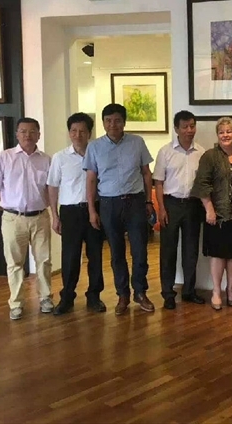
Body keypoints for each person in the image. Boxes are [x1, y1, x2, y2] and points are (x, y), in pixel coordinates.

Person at [83, 103, 156, 316]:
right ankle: (122, 295)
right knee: (116, 253)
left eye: (117, 120)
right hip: (109, 203)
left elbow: (146, 173)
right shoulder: (94, 147)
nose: (112, 124)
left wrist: (148, 202)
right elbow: (91, 180)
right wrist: (92, 210)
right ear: (103, 123)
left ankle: (140, 292)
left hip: (135, 202)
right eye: (108, 121)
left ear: (124, 122)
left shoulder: (137, 142)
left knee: (140, 251)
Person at [0, 117, 53, 320]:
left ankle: (46, 298)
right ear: (17, 134)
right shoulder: (4, 158)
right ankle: (16, 303)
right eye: (23, 131)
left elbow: (50, 189)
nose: (27, 135)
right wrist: (10, 203)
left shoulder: (46, 160)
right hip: (13, 219)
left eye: (32, 131)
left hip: (40, 217)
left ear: (39, 135)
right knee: (14, 263)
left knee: (44, 260)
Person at [47, 113, 106, 315]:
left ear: (89, 133)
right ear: (69, 133)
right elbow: (52, 186)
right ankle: (67, 297)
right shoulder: (60, 157)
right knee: (70, 256)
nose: (77, 135)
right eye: (73, 131)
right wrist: (55, 216)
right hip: (70, 212)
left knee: (95, 255)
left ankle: (94, 296)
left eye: (82, 131)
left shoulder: (98, 154)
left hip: (95, 209)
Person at [153, 110, 206, 310]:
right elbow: (158, 182)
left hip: (193, 205)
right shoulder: (165, 152)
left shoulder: (201, 152)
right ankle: (168, 293)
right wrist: (161, 208)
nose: (189, 130)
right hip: (171, 204)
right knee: (168, 251)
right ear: (176, 129)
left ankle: (189, 291)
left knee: (191, 251)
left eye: (192, 126)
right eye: (184, 127)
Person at [191, 117, 232, 310]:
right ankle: (216, 291)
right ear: (217, 135)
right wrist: (209, 209)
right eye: (221, 132)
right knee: (218, 255)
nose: (225, 135)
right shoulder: (210, 156)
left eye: (229, 131)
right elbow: (201, 184)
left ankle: (231, 290)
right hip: (217, 215)